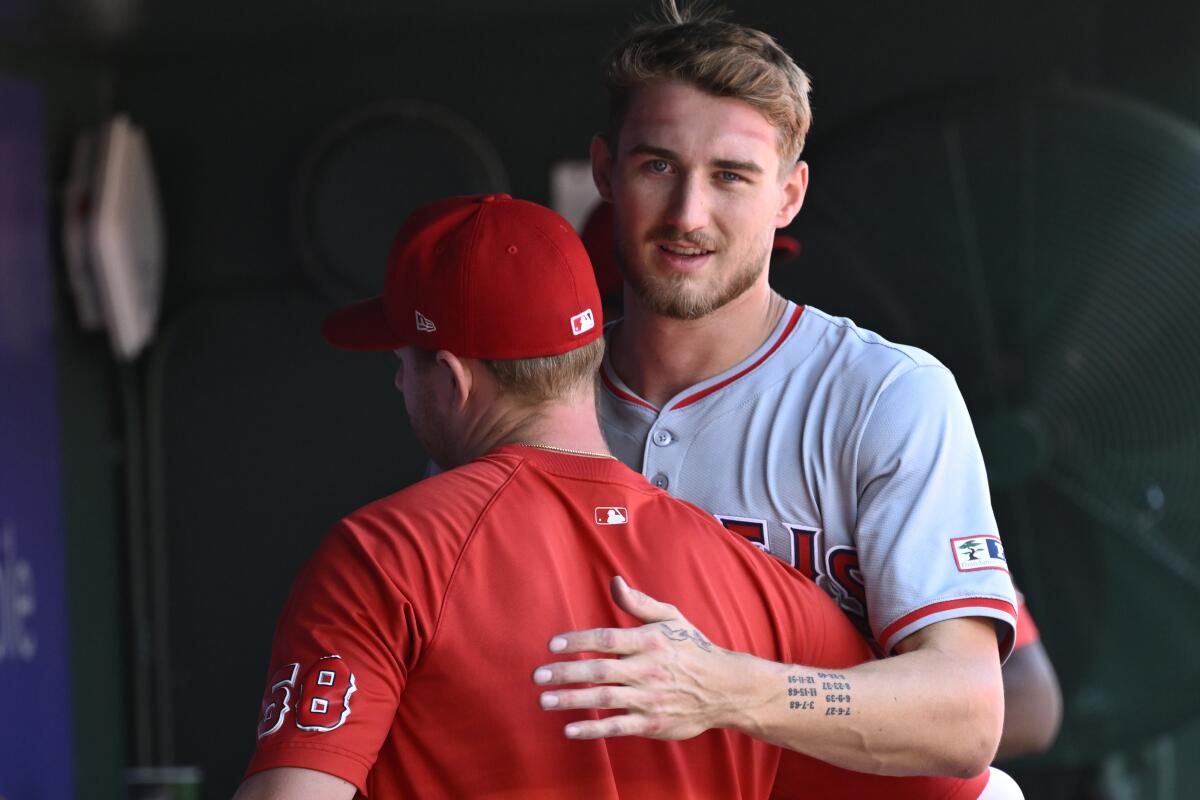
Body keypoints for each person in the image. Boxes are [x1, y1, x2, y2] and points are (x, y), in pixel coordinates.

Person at [233, 194, 1019, 799]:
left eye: (404, 362)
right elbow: (964, 788)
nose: (400, 382)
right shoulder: (754, 588)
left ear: (450, 377)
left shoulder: (383, 555)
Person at [533, 0, 1058, 777]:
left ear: (789, 195)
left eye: (732, 177)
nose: (688, 213)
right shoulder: (538, 406)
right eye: (658, 166)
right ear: (606, 170)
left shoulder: (887, 395)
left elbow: (972, 714)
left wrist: (726, 690)